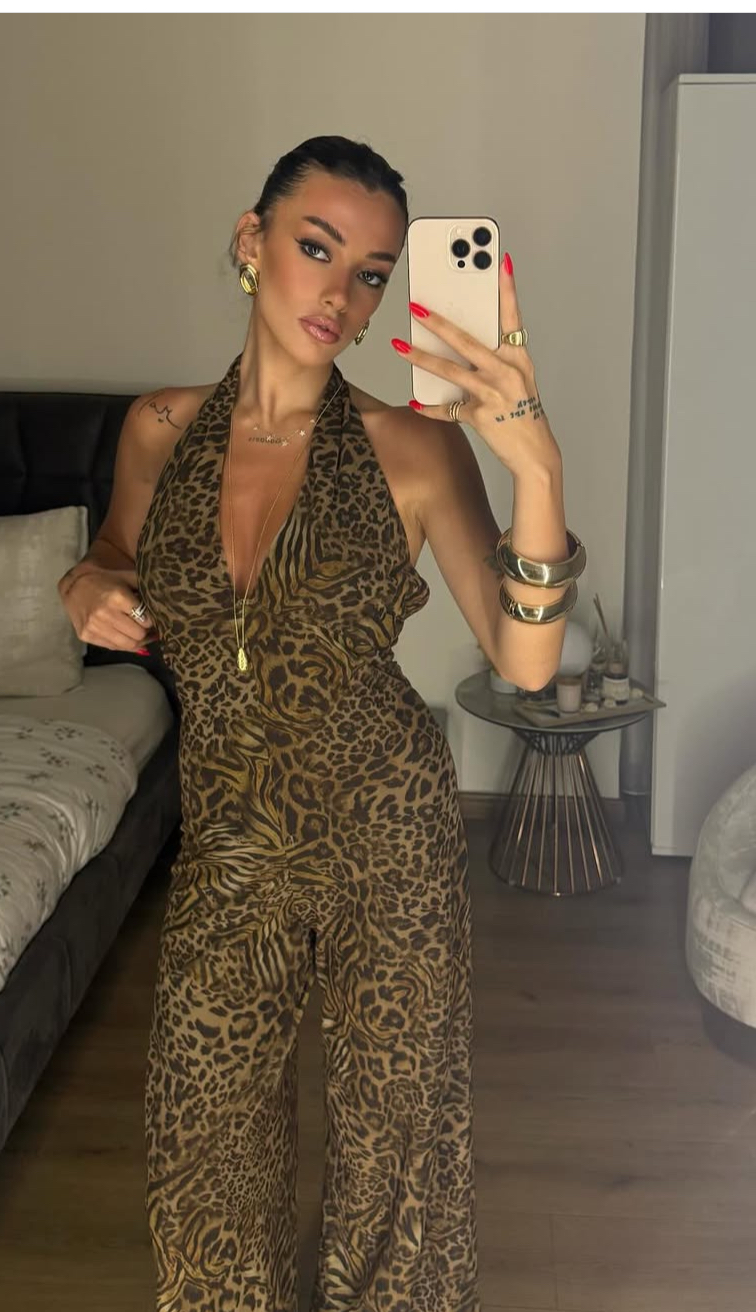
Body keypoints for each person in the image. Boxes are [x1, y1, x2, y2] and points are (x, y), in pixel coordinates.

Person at [59, 135, 583, 1312]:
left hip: (384, 827)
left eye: (373, 274)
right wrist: (82, 581)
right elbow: (117, 549)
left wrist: (538, 473)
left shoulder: (415, 445)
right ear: (252, 243)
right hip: (229, 834)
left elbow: (526, 661)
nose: (342, 293)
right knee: (204, 1132)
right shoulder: (159, 426)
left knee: (397, 1129)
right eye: (317, 248)